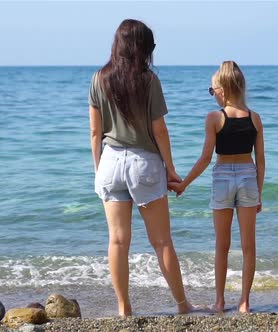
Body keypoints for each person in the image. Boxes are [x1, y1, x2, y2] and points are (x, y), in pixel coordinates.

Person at [88, 19, 192, 316]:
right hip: (143, 163)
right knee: (162, 242)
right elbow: (160, 130)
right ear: (142, 48)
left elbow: (95, 133)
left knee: (118, 241)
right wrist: (171, 169)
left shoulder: (98, 79)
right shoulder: (149, 81)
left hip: (110, 161)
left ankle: (123, 307)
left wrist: (98, 169)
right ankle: (183, 305)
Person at [169, 61, 266, 313]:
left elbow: (204, 159)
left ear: (223, 90)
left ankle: (220, 301)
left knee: (222, 245)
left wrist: (184, 184)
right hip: (248, 177)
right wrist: (259, 192)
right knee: (248, 246)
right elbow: (261, 160)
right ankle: (244, 302)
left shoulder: (214, 118)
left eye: (212, 91)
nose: (213, 95)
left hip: (223, 178)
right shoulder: (254, 118)